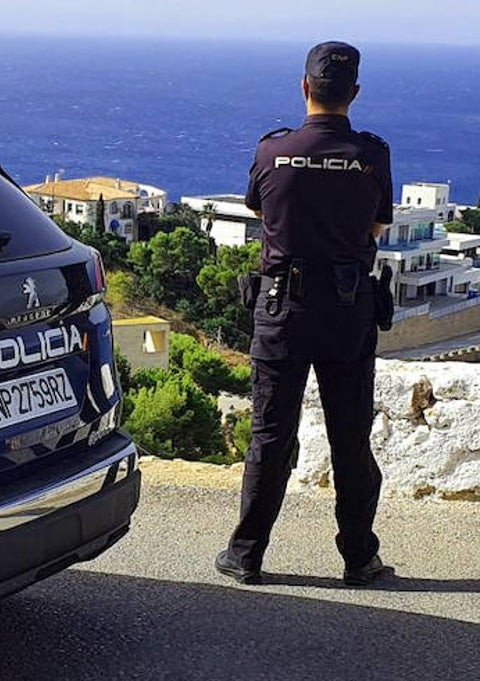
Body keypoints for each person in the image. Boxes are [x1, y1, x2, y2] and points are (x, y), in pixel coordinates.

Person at [215, 41, 393, 587]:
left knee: (270, 433)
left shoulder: (272, 151)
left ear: (304, 88)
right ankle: (359, 558)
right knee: (350, 436)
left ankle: (245, 555)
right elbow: (377, 228)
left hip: (281, 308)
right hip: (346, 311)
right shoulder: (371, 155)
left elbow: (257, 208)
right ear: (354, 93)